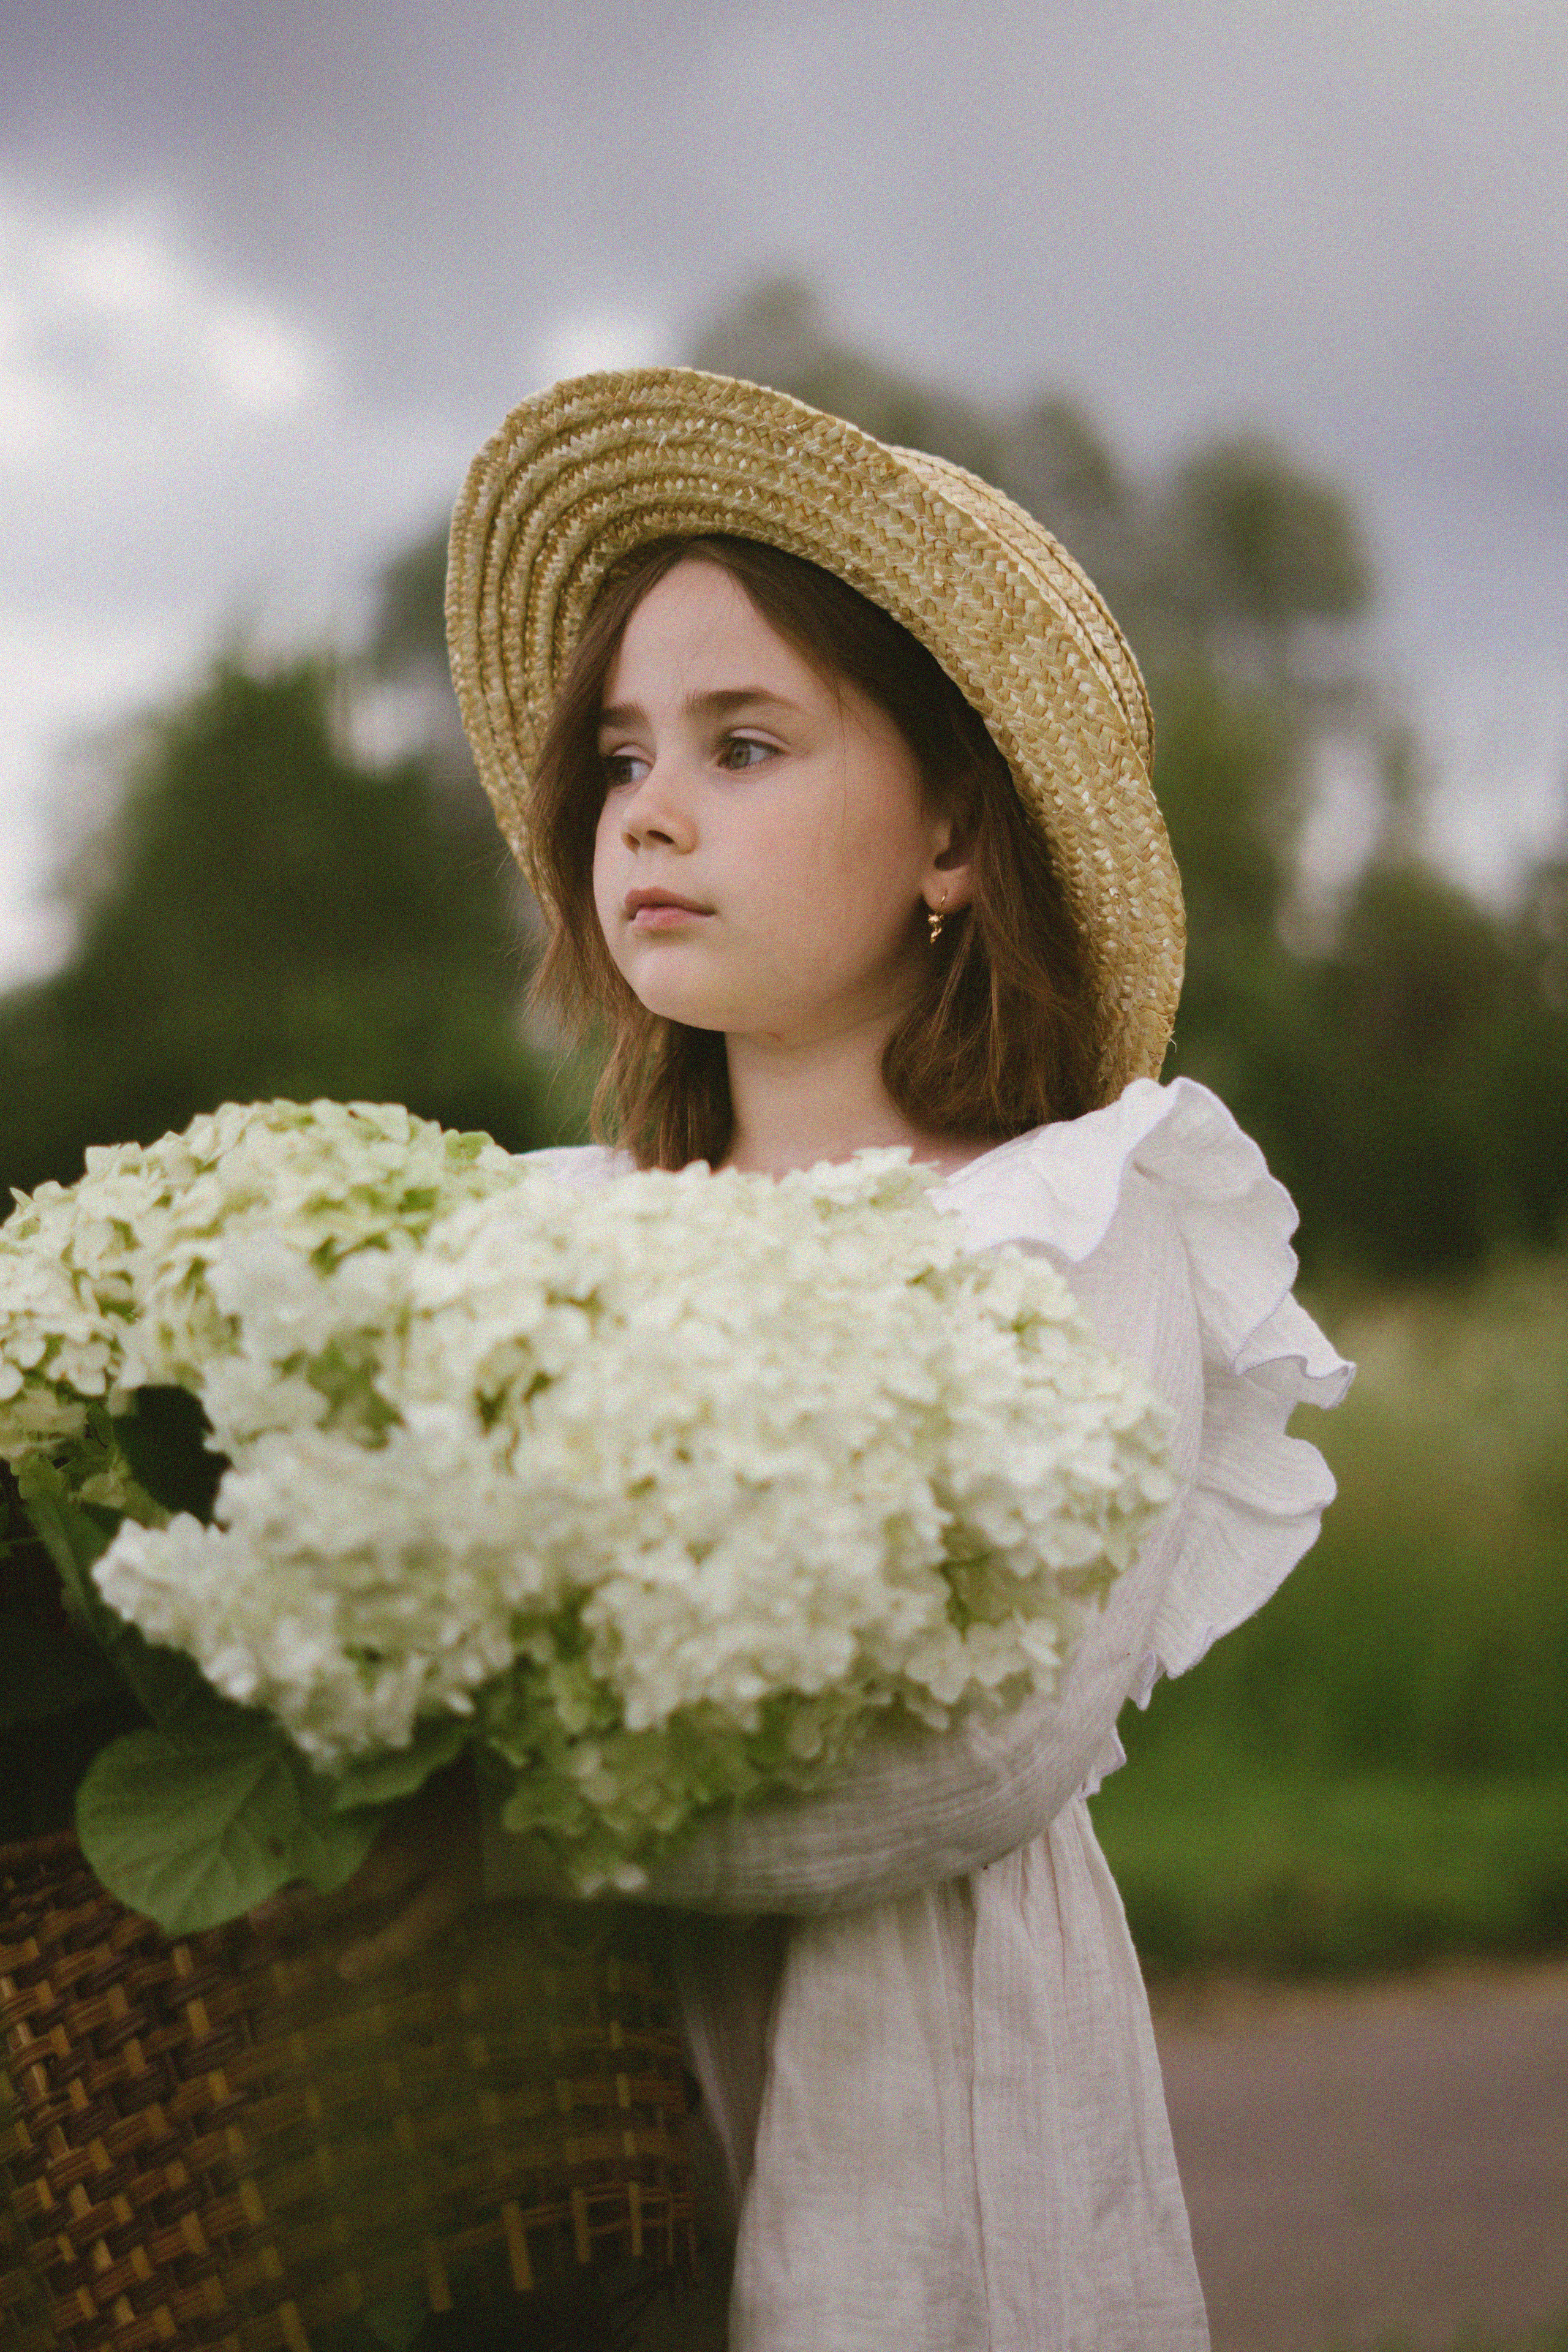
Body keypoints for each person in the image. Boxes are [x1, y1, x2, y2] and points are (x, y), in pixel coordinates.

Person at [274, 369, 1352, 2350]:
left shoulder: (1075, 1212)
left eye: (744, 745)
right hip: (556, 2102)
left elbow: (984, 1753)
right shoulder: (540, 1227)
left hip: (919, 2088)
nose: (650, 812)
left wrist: (492, 1830)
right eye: (619, 761)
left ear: (954, 831)